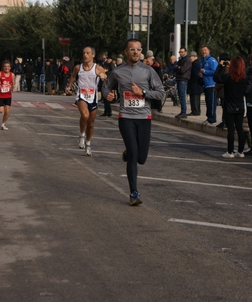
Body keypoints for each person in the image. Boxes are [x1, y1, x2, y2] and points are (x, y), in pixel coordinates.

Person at [102, 39, 164, 206]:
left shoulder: (148, 71)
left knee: (141, 158)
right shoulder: (118, 71)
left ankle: (129, 153)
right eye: (132, 49)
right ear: (126, 52)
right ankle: (134, 193)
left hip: (144, 117)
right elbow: (106, 86)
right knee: (134, 154)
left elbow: (160, 93)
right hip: (126, 117)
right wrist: (108, 95)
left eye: (138, 49)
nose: (136, 52)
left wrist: (142, 92)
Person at [65, 47, 107, 156]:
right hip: (81, 96)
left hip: (93, 97)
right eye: (84, 53)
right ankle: (81, 135)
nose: (85, 55)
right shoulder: (78, 68)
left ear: (93, 55)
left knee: (91, 123)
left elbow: (106, 78)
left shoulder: (98, 68)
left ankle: (88, 143)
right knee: (85, 115)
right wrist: (69, 86)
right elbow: (73, 76)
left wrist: (103, 76)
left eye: (88, 53)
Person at [214, 56, 246, 158]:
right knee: (240, 128)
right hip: (240, 105)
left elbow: (216, 77)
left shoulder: (228, 77)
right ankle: (241, 151)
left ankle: (230, 151)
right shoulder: (244, 78)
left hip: (229, 105)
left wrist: (220, 66)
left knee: (231, 129)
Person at [0, 60, 15, 130]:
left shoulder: (12, 75)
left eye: (8, 66)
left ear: (10, 67)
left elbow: (13, 83)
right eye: (5, 66)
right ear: (3, 67)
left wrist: (13, 87)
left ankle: (3, 124)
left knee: (7, 111)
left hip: (8, 95)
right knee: (0, 111)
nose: (7, 68)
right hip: (0, 95)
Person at [199, 46, 218, 124]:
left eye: (205, 50)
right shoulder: (203, 61)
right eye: (202, 50)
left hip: (212, 85)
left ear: (209, 51)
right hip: (206, 85)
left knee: (212, 102)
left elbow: (214, 72)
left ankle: (212, 118)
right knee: (208, 102)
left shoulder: (212, 60)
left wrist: (204, 72)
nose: (204, 51)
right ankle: (209, 117)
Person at [173, 47, 192, 118]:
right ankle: (182, 111)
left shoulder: (186, 60)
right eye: (180, 52)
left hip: (183, 79)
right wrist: (178, 67)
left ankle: (183, 112)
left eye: (182, 52)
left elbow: (182, 70)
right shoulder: (181, 60)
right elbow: (174, 68)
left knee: (182, 95)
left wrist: (178, 67)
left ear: (185, 52)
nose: (181, 53)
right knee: (180, 96)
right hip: (179, 78)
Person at [214, 52, 230, 129]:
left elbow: (222, 79)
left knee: (225, 106)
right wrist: (219, 66)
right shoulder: (222, 68)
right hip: (222, 91)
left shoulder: (227, 68)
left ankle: (225, 121)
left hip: (224, 91)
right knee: (224, 106)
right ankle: (224, 121)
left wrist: (216, 87)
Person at [187, 51, 203, 116]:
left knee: (194, 99)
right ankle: (196, 110)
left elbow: (196, 74)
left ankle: (195, 111)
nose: (190, 58)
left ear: (194, 57)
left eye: (190, 57)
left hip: (195, 84)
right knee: (194, 98)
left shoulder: (195, 64)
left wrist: (191, 81)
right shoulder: (196, 63)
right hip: (195, 84)